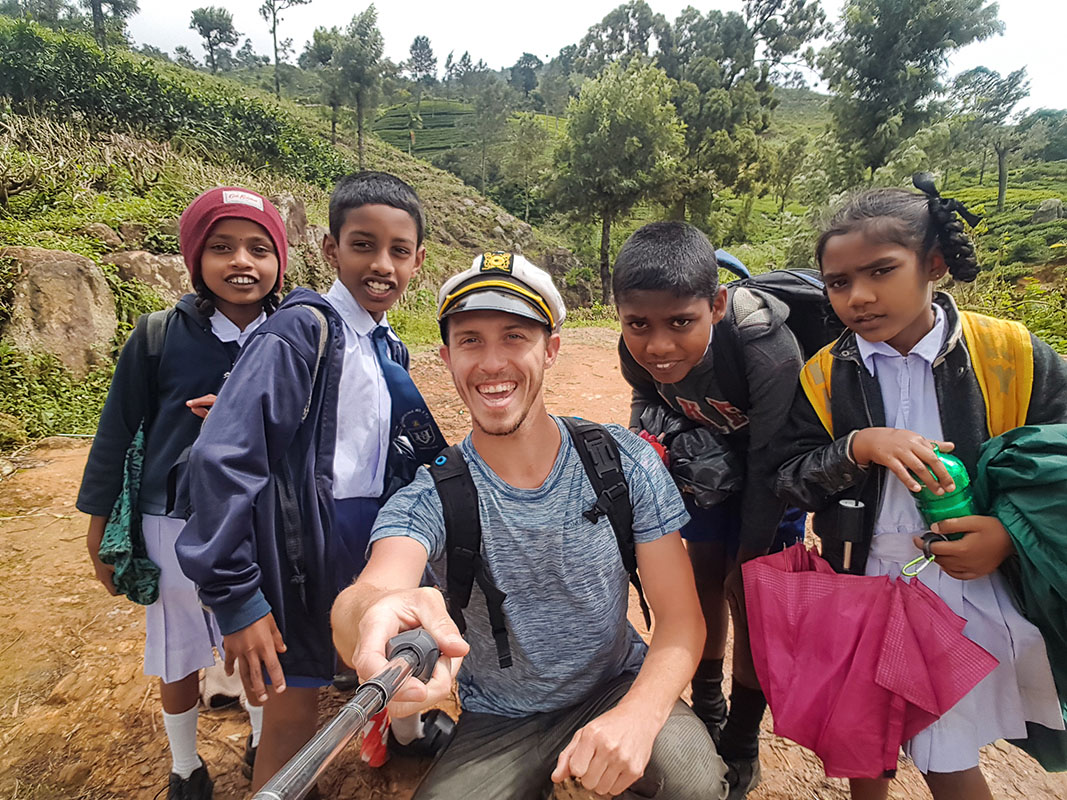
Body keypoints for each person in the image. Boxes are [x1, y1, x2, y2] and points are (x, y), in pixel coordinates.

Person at [331, 252, 728, 800]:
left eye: (515, 336)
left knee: (695, 782)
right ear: (446, 357)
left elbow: (683, 621)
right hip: (500, 717)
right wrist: (370, 616)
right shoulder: (432, 495)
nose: (492, 362)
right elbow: (374, 588)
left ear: (552, 349)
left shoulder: (623, 464)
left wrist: (638, 716)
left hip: (614, 684)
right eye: (470, 340)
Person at [773, 176, 1067, 800]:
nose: (859, 297)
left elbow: (1057, 467)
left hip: (967, 582)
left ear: (933, 264)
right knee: (863, 738)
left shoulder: (1011, 355)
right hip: (866, 580)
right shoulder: (825, 376)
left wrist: (1007, 533)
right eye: (839, 282)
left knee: (943, 748)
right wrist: (857, 447)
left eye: (881, 271)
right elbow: (791, 476)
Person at [175, 171, 445, 792]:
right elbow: (220, 461)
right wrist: (239, 598)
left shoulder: (387, 345)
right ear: (329, 249)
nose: (382, 264)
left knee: (374, 663)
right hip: (300, 553)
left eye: (398, 251)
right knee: (293, 712)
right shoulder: (301, 332)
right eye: (363, 244)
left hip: (366, 541)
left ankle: (388, 742)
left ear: (418, 260)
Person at [78, 186, 287, 799]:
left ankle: (258, 741)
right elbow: (116, 433)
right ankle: (184, 765)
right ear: (195, 257)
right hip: (171, 520)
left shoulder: (296, 336)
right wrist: (98, 528)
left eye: (258, 247)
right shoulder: (159, 336)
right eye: (221, 247)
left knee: (252, 636)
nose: (242, 262)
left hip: (260, 516)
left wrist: (242, 416)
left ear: (280, 259)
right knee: (178, 648)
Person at [612, 221, 805, 799]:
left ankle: (743, 739)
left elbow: (773, 467)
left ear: (716, 305)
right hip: (713, 470)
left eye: (681, 322)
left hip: (775, 474)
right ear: (619, 314)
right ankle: (708, 705)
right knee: (698, 586)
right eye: (638, 324)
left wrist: (747, 561)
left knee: (751, 603)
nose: (659, 346)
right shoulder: (633, 351)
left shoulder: (766, 352)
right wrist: (657, 444)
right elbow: (646, 398)